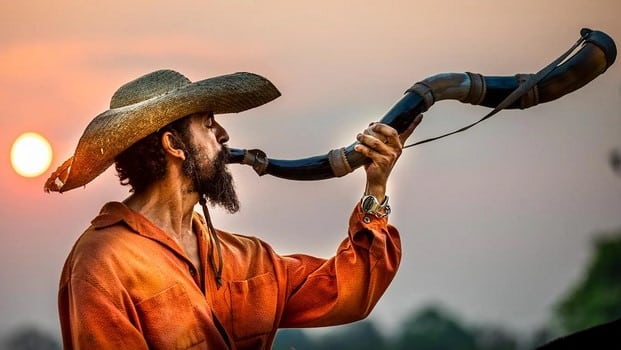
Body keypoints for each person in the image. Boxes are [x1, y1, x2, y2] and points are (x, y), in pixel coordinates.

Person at [45, 69, 423, 349]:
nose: (224, 136)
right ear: (174, 144)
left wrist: (376, 185)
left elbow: (347, 294)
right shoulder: (102, 262)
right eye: (208, 125)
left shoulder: (244, 258)